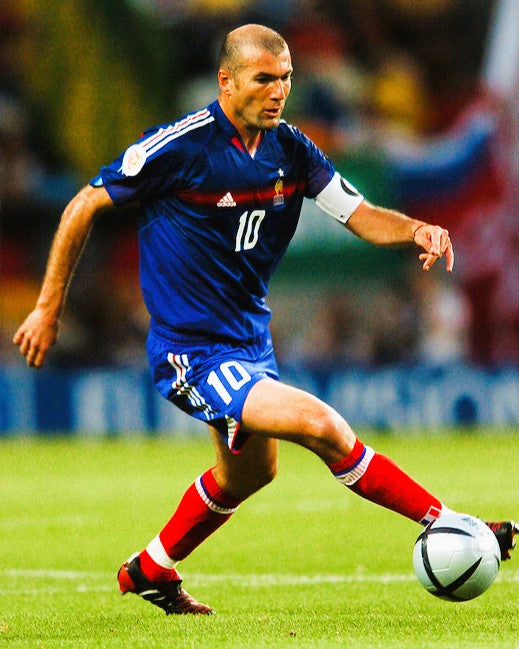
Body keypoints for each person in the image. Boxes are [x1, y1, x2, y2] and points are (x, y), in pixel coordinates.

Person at [13, 24, 516, 615]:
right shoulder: (180, 147)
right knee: (320, 424)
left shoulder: (292, 150)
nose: (278, 92)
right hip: (192, 352)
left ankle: (151, 569)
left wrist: (417, 230)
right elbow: (83, 205)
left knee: (248, 476)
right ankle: (448, 521)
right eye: (263, 79)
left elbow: (359, 214)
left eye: (286, 79)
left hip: (251, 342)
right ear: (226, 81)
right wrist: (47, 308)